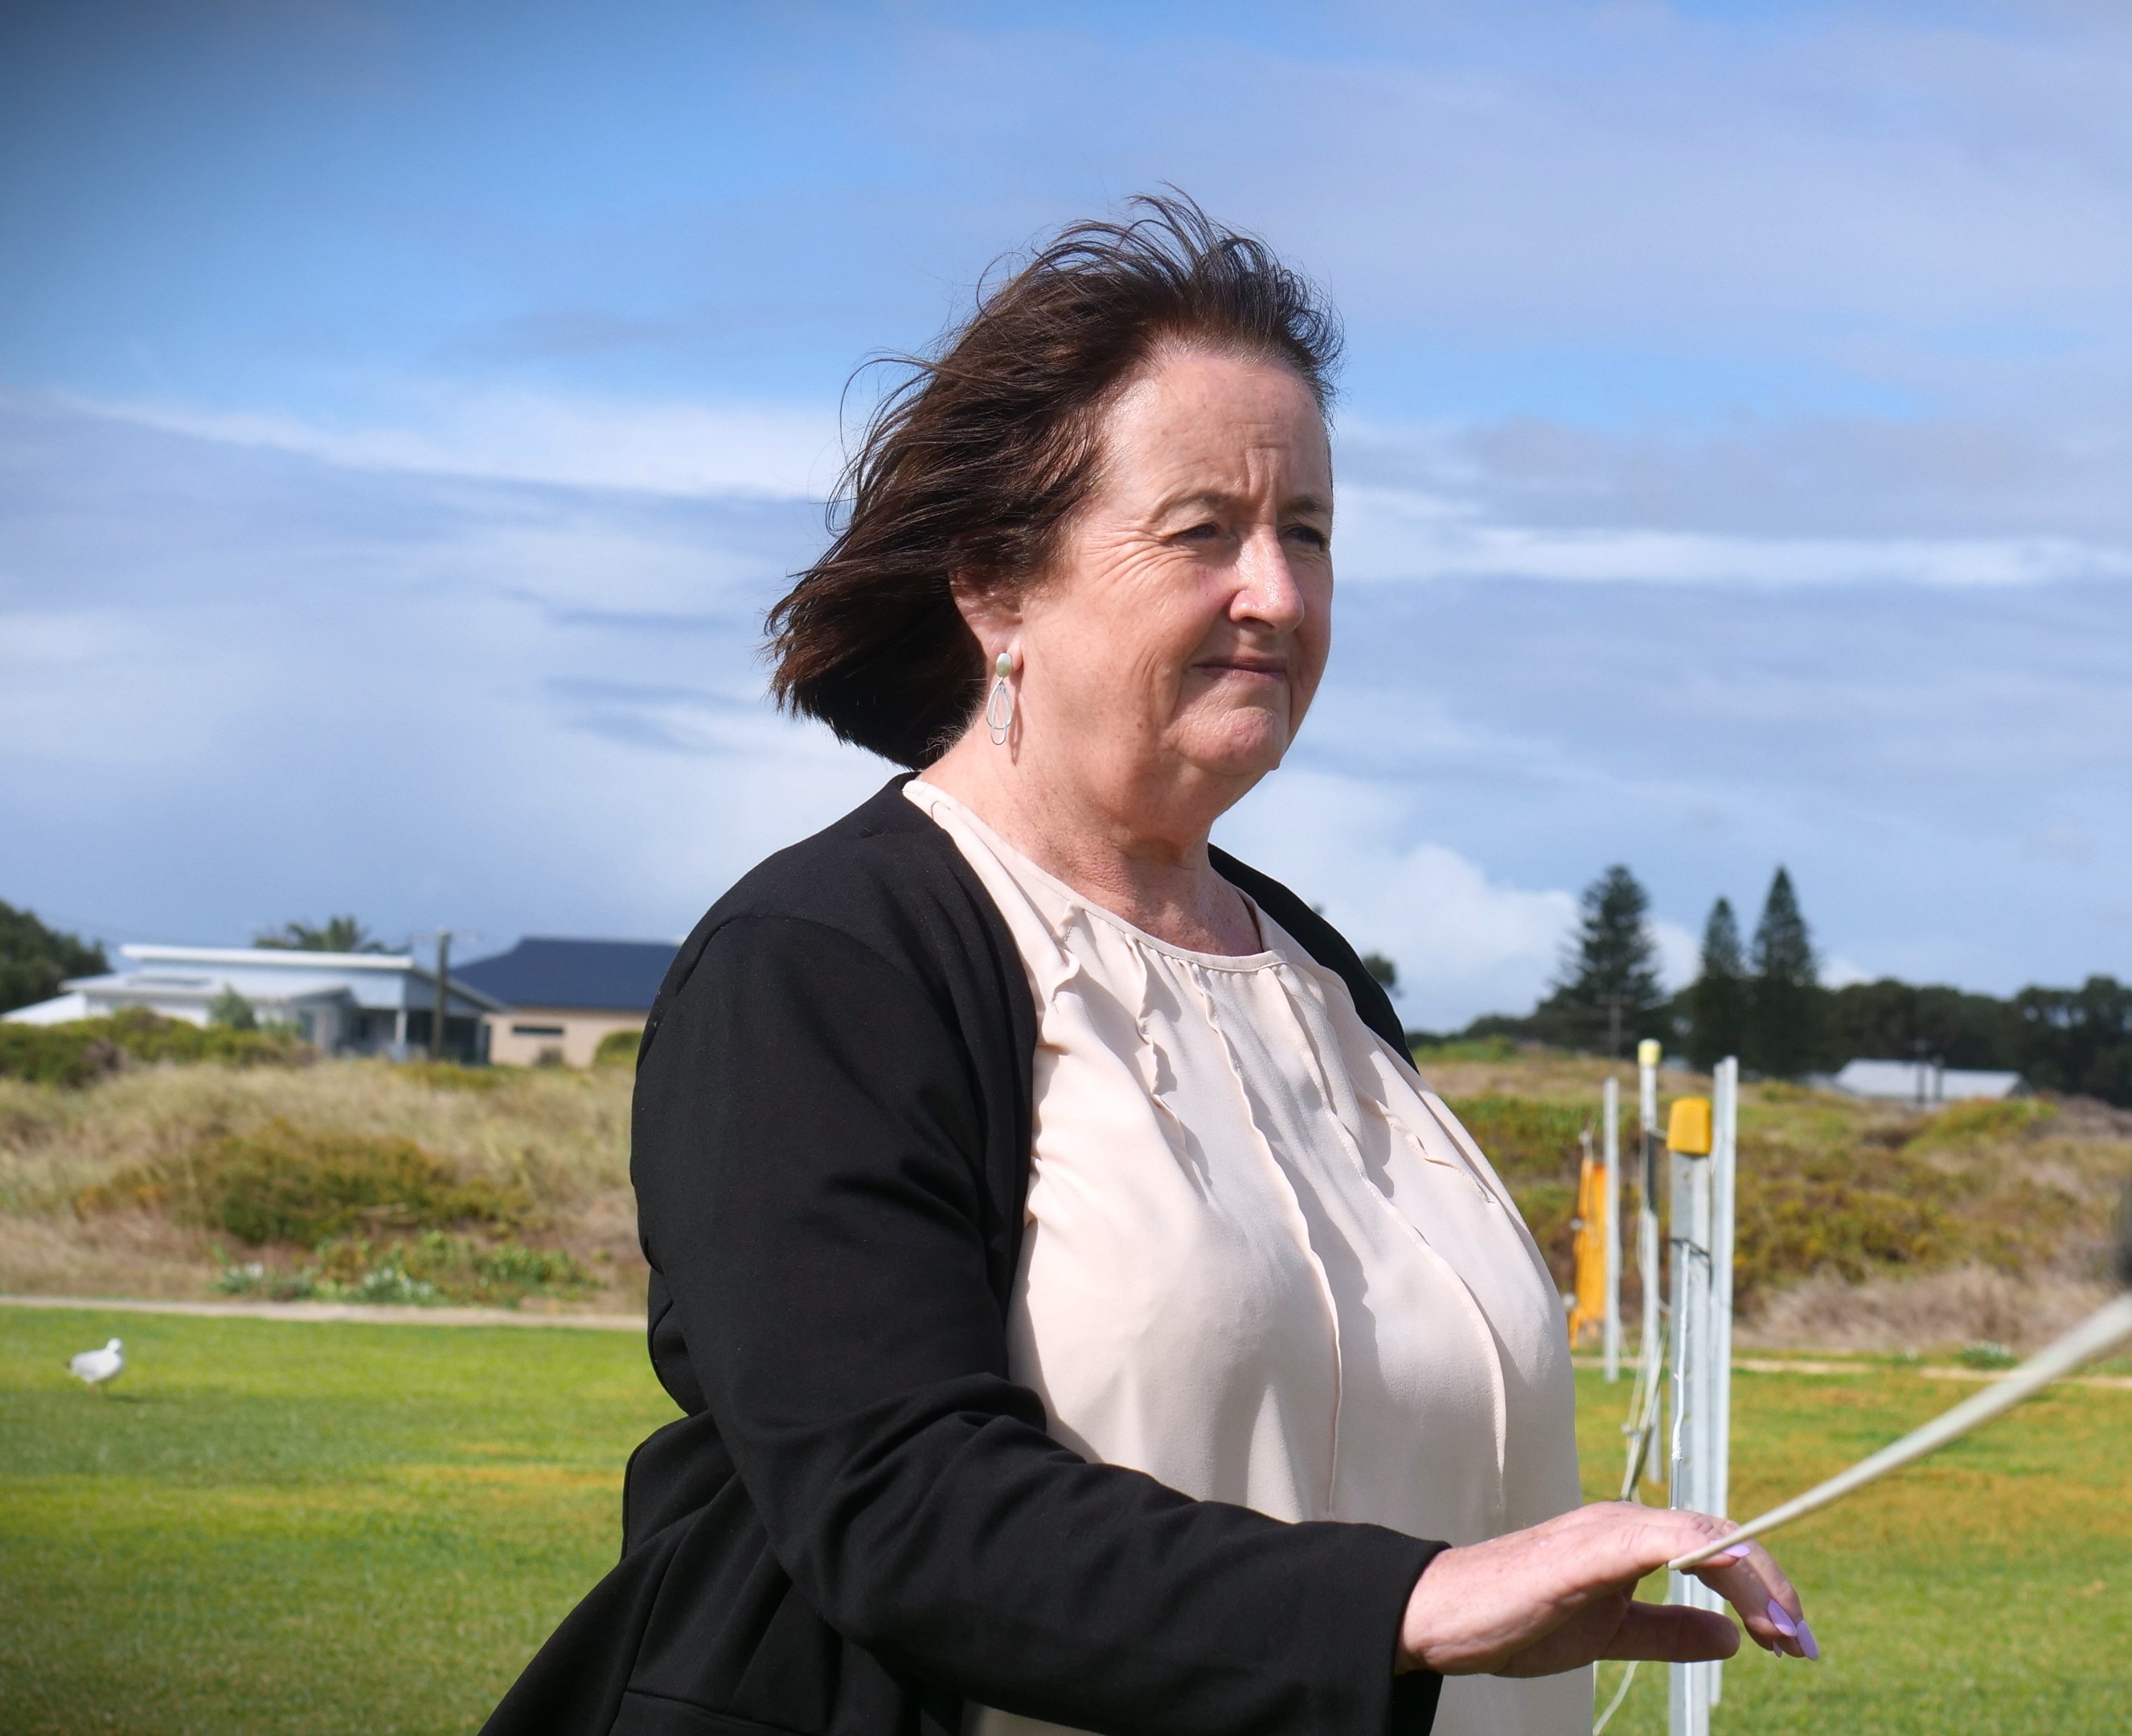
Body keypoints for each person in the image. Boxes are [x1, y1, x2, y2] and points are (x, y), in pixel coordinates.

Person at [484, 196, 1808, 1736]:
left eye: (1307, 532)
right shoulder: (822, 966)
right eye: (1203, 533)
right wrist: (1410, 1605)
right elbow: (893, 1505)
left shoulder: (1315, 972)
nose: (1280, 594)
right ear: (996, 585)